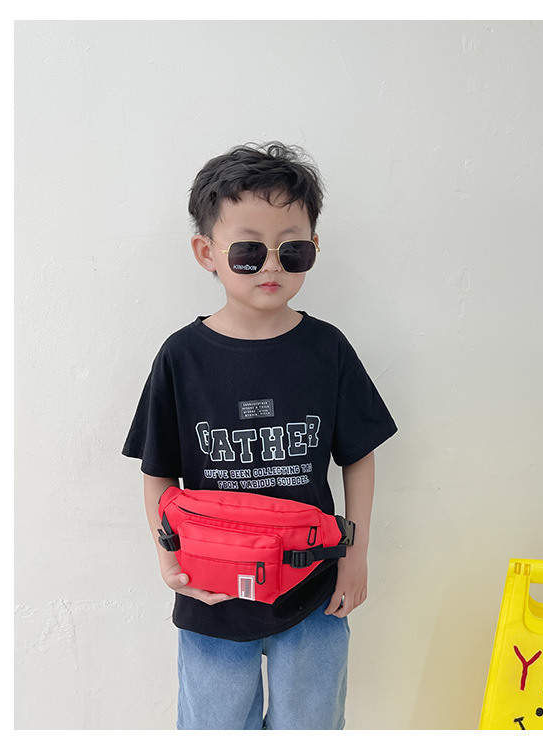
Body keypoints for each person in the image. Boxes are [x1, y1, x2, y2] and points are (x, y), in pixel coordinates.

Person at [122, 142, 397, 730]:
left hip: (314, 588)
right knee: (213, 728)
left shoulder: (328, 350)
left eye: (291, 249)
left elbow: (359, 457)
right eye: (248, 251)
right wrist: (170, 560)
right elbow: (157, 472)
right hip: (213, 592)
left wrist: (356, 556)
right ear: (207, 252)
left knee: (312, 727)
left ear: (313, 248)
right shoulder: (181, 357)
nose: (271, 265)